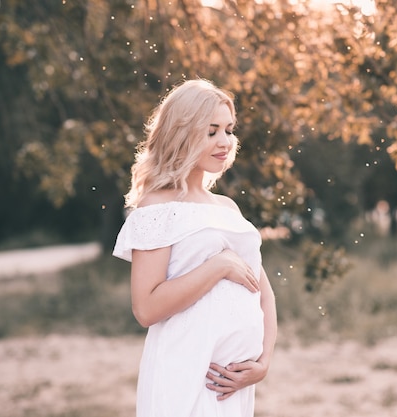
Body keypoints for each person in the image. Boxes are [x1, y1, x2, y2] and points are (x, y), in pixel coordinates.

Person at [112, 79, 277, 417]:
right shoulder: (156, 206)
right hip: (184, 372)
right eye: (211, 131)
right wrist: (218, 266)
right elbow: (146, 308)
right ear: (182, 133)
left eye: (229, 130)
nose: (225, 142)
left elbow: (264, 294)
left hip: (232, 384)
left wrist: (263, 362)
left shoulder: (229, 207)